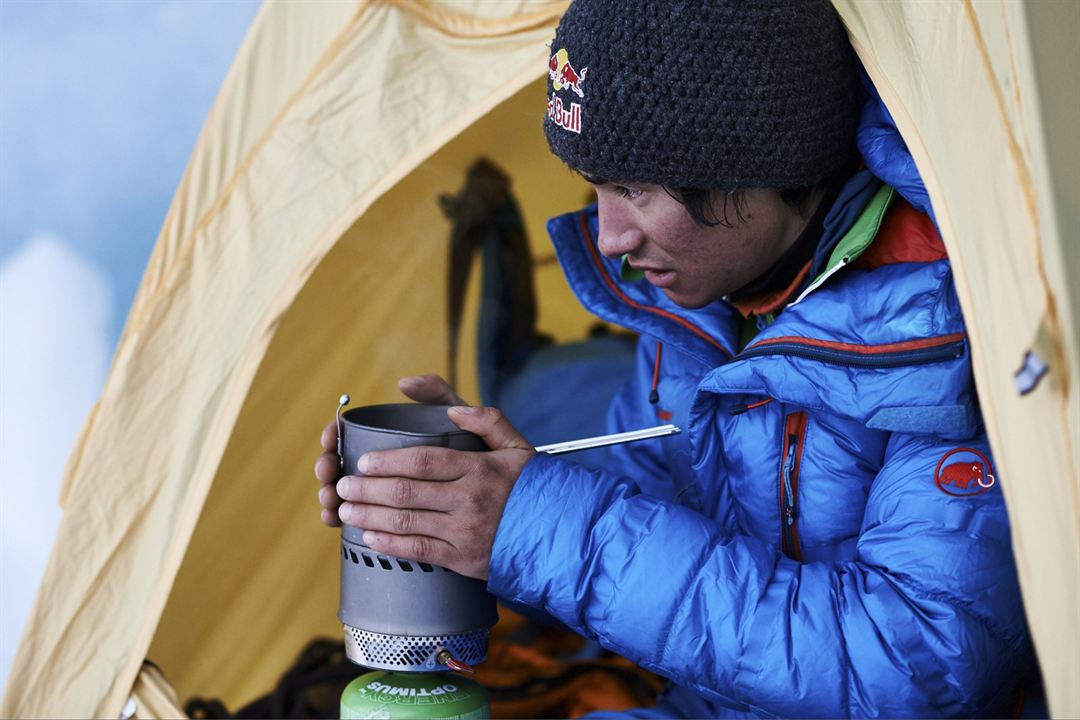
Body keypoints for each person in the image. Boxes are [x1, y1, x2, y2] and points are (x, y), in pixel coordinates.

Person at [315, 1, 1036, 716]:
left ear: (759, 163)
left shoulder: (950, 330)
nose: (608, 238)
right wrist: (457, 509)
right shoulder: (699, 311)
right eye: (593, 187)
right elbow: (646, 525)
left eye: (634, 189)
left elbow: (919, 667)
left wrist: (536, 526)